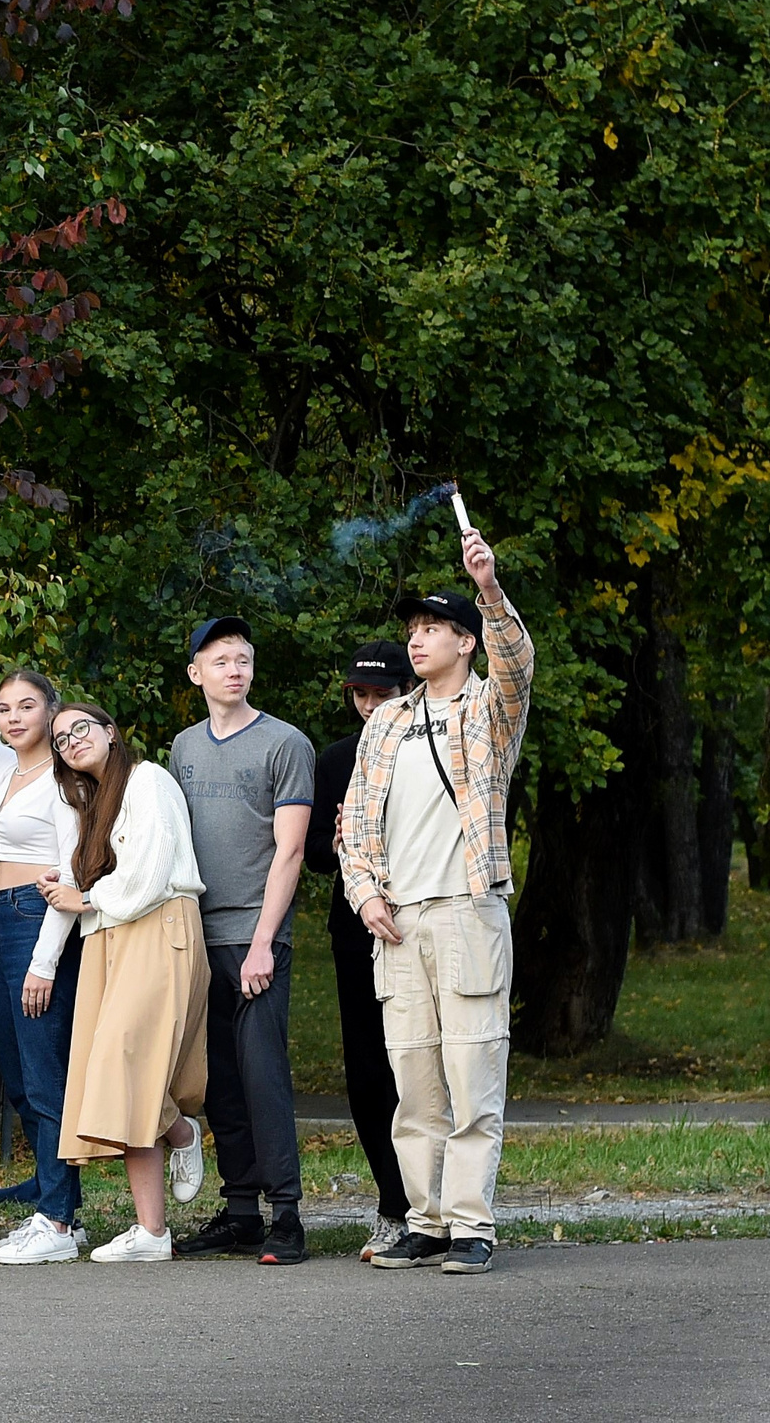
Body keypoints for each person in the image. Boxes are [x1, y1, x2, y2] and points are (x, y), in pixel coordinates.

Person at [343, 531, 533, 1276]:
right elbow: (355, 823)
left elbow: (517, 666)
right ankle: (423, 1222)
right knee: (415, 1084)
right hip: (398, 924)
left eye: (431, 630)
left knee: (472, 1074)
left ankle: (472, 1225)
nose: (417, 641)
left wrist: (487, 588)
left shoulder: (489, 712)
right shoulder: (386, 722)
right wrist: (364, 897)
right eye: (412, 631)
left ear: (465, 641)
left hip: (466, 912)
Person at [169, 616, 318, 1265]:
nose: (235, 670)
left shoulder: (286, 744)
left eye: (244, 659)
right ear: (196, 674)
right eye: (221, 660)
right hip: (197, 939)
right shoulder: (184, 749)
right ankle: (239, 1214)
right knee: (218, 1083)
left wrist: (263, 943)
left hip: (256, 941)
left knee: (263, 1080)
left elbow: (289, 852)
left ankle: (285, 1218)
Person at [44, 703, 209, 1263]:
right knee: (110, 1075)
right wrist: (73, 889)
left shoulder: (148, 780)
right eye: (61, 738)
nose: (71, 741)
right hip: (110, 933)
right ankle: (153, 1232)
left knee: (122, 1065)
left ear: (111, 732)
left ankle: (181, 1137)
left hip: (156, 925)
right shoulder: (90, 803)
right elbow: (110, 873)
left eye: (81, 728)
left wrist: (86, 899)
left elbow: (152, 870)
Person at [0, 663, 92, 1266]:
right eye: (5, 709)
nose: (14, 718)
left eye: (27, 707)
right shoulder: (1, 766)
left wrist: (45, 962)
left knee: (45, 1075)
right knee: (16, 1075)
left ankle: (59, 1222)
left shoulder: (66, 782)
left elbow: (71, 875)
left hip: (40, 922)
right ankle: (52, 1200)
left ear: (51, 711)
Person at [305, 641, 420, 1262]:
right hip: (355, 927)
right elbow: (316, 849)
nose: (371, 706)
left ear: (409, 690)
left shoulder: (430, 749)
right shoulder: (336, 759)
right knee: (367, 1067)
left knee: (423, 1066)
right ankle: (391, 1205)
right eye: (361, 695)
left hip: (424, 921)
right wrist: (348, 837)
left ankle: (439, 1205)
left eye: (383, 694)